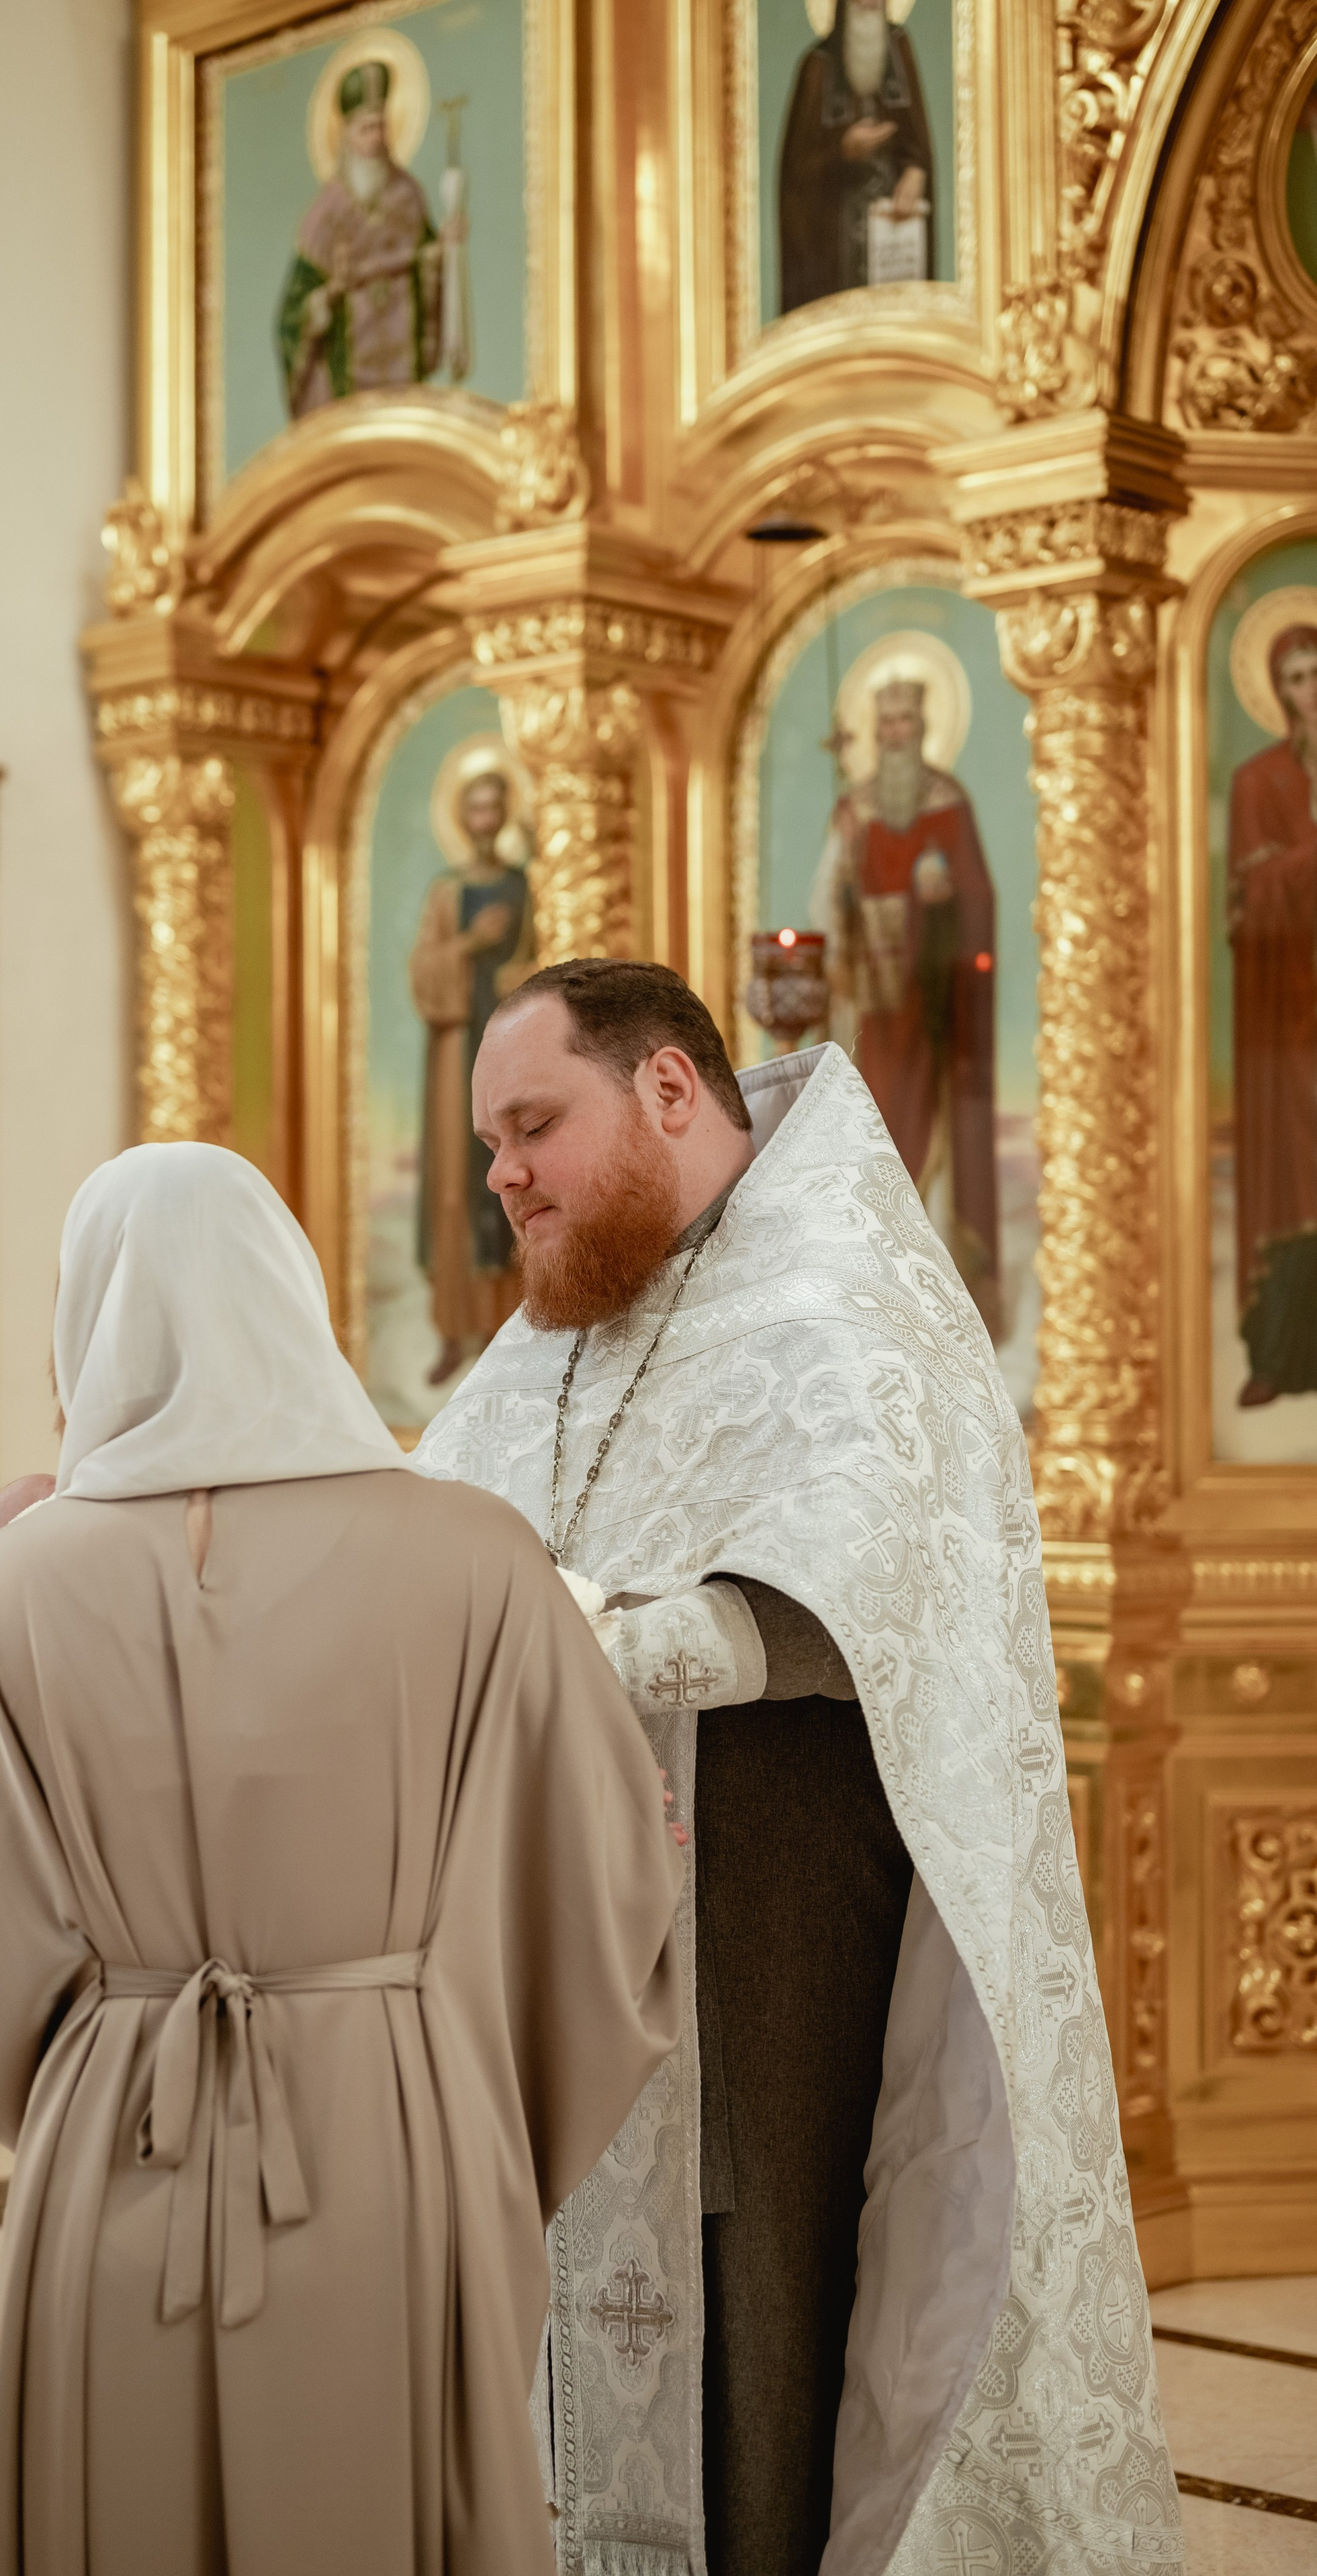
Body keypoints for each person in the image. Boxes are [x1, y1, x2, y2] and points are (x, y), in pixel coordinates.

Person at [416, 960, 1181, 2576]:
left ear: (669, 1091)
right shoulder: (556, 1327)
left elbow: (860, 1608)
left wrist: (581, 1640)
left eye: (531, 1124)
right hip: (560, 1951)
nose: (500, 1174)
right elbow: (425, 1521)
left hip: (771, 1936)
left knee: (762, 2316)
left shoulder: (848, 1294)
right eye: (490, 1139)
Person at [0, 1141, 683, 2576]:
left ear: (85, 1314)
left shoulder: (6, 1589)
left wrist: (87, 2080)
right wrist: (465, 2102)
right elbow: (609, 1885)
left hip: (115, 2143)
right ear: (294, 1295)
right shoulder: (472, 1556)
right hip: (392, 2139)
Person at [813, 672, 1001, 1336]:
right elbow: (827, 899)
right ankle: (874, 1283)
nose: (897, 733)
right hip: (870, 1006)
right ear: (874, 732)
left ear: (924, 728)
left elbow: (981, 897)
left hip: (930, 1004)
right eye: (886, 722)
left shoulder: (950, 803)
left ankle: (942, 1285)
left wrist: (945, 896)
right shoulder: (853, 810)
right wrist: (842, 937)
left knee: (937, 1131)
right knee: (874, 1130)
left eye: (907, 721)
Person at [410, 758, 536, 1385]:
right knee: (457, 1185)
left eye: (494, 808)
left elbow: (539, 959)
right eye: (475, 809)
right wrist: (469, 943)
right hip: (458, 1046)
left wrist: (515, 970)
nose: (485, 822)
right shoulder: (447, 893)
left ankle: (505, 1326)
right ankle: (455, 1330)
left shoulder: (524, 887)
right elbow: (424, 973)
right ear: (462, 819)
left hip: (515, 1040)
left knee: (517, 1177)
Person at [1226, 621, 1317, 1405]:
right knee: (1296, 1171)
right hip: (1287, 1010)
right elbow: (1247, 900)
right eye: (1295, 678)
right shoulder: (1259, 781)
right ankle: (1280, 1353)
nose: (1310, 692)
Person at [277, 60, 457, 417]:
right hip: (349, 376)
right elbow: (291, 316)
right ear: (345, 135)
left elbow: (426, 262)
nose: (376, 139)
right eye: (365, 129)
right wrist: (330, 294)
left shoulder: (408, 195)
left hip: (402, 367)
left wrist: (442, 248)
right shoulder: (325, 214)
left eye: (381, 127)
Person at [778, 0, 934, 313]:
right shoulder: (817, 65)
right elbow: (795, 174)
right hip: (834, 249)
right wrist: (841, 150)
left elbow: (917, 143)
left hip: (893, 241)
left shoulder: (899, 51)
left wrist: (917, 170)